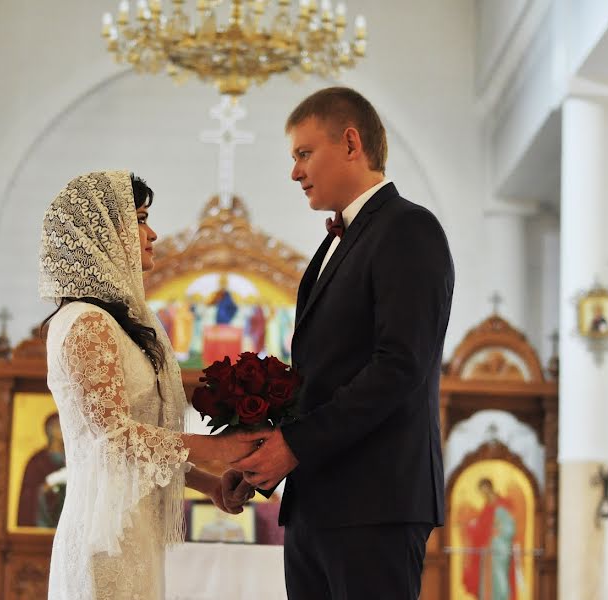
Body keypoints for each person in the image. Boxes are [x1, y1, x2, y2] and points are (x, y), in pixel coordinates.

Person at [227, 87, 455, 599]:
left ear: (351, 143)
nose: (295, 172)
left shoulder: (408, 228)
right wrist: (261, 459)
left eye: (304, 153)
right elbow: (321, 375)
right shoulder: (339, 240)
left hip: (375, 503)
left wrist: (295, 445)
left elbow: (399, 366)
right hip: (318, 501)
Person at [39, 171, 261, 600]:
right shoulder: (85, 323)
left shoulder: (121, 324)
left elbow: (138, 447)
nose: (152, 233)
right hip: (104, 533)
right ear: (100, 234)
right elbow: (114, 439)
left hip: (132, 529)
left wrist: (210, 483)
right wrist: (216, 448)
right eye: (139, 219)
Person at [462, 478, 518, 600]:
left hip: (499, 550)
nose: (484, 494)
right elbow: (482, 526)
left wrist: (495, 533)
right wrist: (473, 526)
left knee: (500, 578)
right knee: (487, 580)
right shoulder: (487, 507)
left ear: (489, 488)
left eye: (485, 491)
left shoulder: (502, 505)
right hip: (488, 551)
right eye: (481, 492)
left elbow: (510, 529)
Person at [17, 413, 66, 527]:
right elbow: (28, 495)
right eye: (58, 426)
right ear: (50, 431)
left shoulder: (75, 458)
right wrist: (44, 489)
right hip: (43, 523)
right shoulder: (37, 461)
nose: (63, 429)